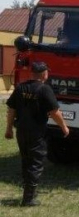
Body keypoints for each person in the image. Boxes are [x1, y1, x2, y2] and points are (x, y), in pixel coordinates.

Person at [4, 62, 70, 207]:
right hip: (36, 132)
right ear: (44, 74)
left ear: (31, 73)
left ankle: (28, 192)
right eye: (47, 72)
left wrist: (9, 129)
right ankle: (28, 199)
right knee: (35, 163)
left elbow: (11, 110)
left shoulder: (21, 87)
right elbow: (54, 112)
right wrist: (64, 127)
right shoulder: (44, 89)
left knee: (26, 160)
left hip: (21, 130)